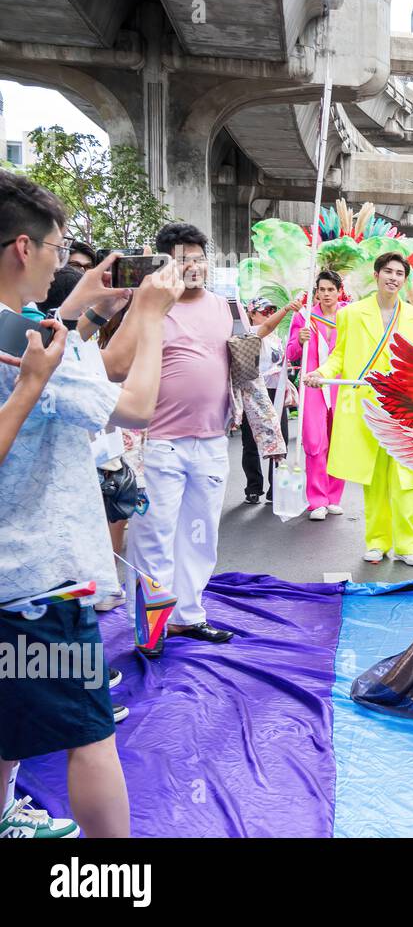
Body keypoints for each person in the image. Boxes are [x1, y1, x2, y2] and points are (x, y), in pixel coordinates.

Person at [0, 170, 183, 838]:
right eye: (57, 245)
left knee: (8, 714)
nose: (59, 257)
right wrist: (156, 317)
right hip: (42, 578)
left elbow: (92, 368)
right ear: (25, 248)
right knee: (89, 731)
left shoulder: (26, 328)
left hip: (10, 575)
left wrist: (79, 306)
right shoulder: (27, 346)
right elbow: (132, 403)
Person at [122, 222, 238, 653]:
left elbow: (239, 359)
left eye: (198, 257)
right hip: (159, 442)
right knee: (153, 536)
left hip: (211, 441)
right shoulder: (150, 306)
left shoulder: (225, 306)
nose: (193, 265)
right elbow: (119, 363)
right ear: (165, 264)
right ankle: (151, 630)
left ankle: (189, 617)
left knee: (199, 534)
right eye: (183, 258)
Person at [306, 252, 413, 564]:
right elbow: (339, 355)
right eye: (387, 271)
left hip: (404, 409)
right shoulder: (351, 314)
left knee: (406, 478)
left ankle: (408, 546)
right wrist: (321, 373)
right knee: (373, 478)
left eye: (399, 273)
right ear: (376, 275)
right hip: (367, 406)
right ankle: (377, 541)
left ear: (405, 279)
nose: (393, 277)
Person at [286, 270, 348, 520]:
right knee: (315, 442)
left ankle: (334, 497)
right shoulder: (305, 316)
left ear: (339, 291)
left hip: (341, 385)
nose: (326, 295)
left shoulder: (350, 316)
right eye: (321, 290)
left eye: (330, 290)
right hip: (313, 386)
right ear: (316, 292)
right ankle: (317, 500)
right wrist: (300, 342)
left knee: (340, 442)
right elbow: (290, 354)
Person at [239, 297, 299, 505]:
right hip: (254, 393)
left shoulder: (276, 339)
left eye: (271, 309)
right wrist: (286, 309)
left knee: (279, 440)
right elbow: (266, 325)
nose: (269, 313)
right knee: (251, 442)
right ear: (251, 313)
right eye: (264, 310)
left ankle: (276, 488)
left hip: (276, 392)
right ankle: (254, 488)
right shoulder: (251, 333)